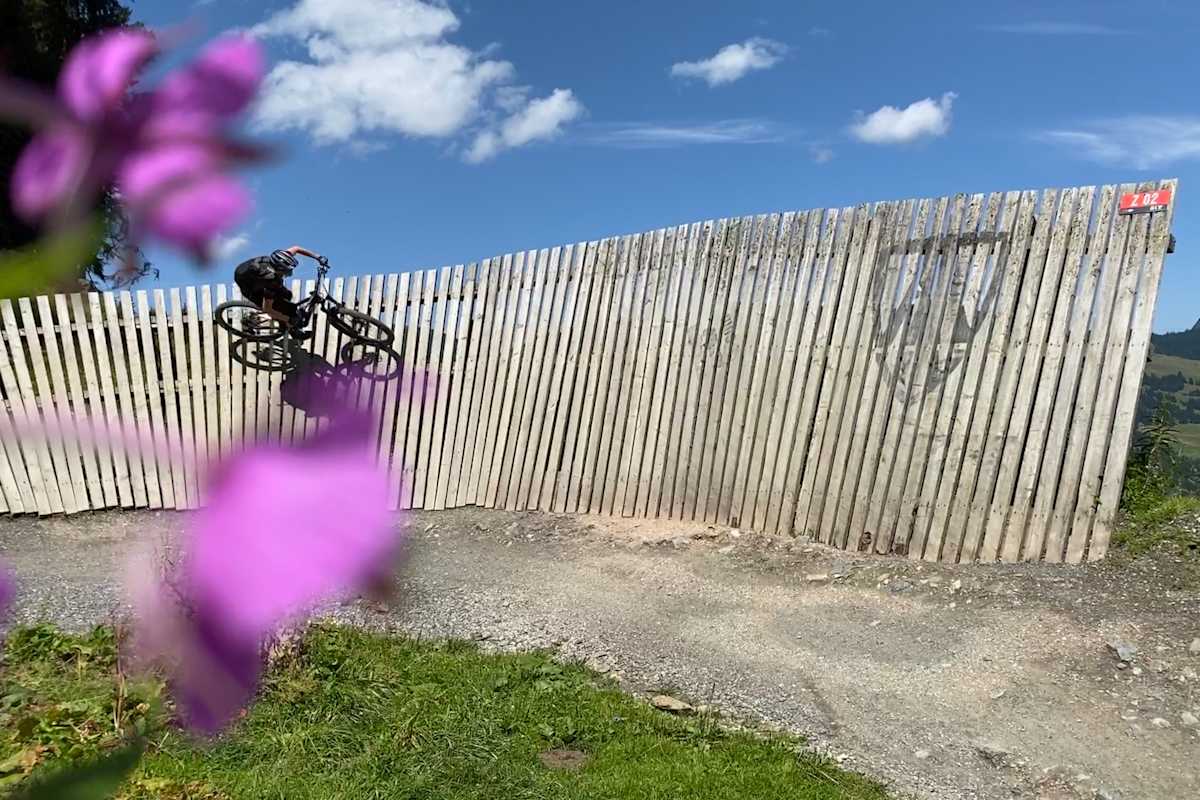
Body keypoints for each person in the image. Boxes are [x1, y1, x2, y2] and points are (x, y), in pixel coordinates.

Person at [233, 245, 323, 340]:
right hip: (248, 286)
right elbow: (268, 308)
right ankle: (249, 321)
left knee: (287, 295)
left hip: (249, 273)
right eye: (287, 271)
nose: (290, 274)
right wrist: (288, 319)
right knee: (281, 308)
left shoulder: (280, 258)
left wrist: (318, 257)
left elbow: (296, 248)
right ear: (279, 269)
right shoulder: (271, 280)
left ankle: (285, 322)